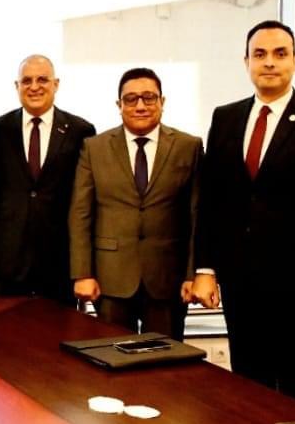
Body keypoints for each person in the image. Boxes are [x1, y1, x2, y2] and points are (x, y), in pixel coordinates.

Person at [191, 20, 295, 405]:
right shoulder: (226, 118)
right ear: (246, 62)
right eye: (260, 54)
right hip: (240, 284)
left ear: (294, 61)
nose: (269, 62)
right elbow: (213, 200)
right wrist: (206, 269)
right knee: (249, 387)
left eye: (280, 54)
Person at [69, 68, 201, 339]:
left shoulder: (188, 146)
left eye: (149, 97)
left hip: (168, 279)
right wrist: (82, 273)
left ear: (162, 101)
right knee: (113, 357)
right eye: (131, 99)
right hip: (110, 278)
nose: (140, 106)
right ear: (119, 105)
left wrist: (193, 274)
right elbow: (81, 214)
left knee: (165, 359)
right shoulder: (94, 148)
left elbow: (197, 214)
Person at [0, 55, 95, 302]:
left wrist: (84, 266)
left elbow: (86, 200)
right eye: (27, 81)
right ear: (17, 86)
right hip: (7, 263)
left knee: (61, 327)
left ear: (56, 84)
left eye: (42, 80)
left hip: (61, 262)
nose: (34, 87)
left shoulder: (81, 131)